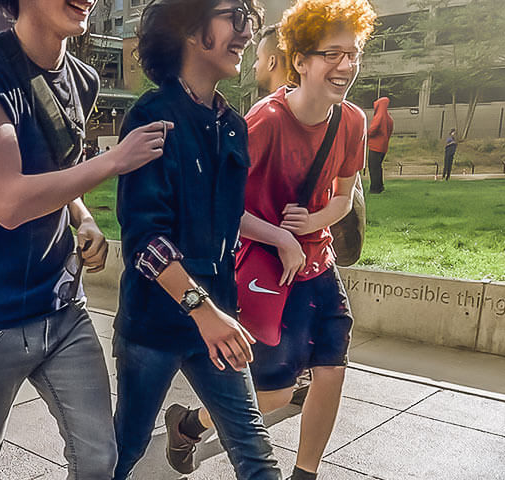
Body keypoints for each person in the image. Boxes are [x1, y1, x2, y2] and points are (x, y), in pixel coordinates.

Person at [0, 0, 170, 476]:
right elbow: (7, 202)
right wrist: (114, 161)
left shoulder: (83, 80)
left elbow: (61, 172)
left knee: (99, 457)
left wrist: (83, 217)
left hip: (62, 305)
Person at [169, 2, 375, 479]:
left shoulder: (352, 122)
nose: (346, 66)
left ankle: (306, 473)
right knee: (276, 393)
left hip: (319, 266)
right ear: (300, 61)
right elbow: (220, 208)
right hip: (266, 270)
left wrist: (311, 222)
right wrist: (280, 236)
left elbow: (344, 199)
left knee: (331, 370)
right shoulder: (264, 122)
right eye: (332, 54)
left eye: (353, 54)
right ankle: (188, 424)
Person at [113, 1, 280, 479]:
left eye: (251, 20)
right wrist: (203, 311)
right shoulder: (152, 116)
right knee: (124, 450)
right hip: (155, 327)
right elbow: (145, 240)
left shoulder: (233, 125)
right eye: (235, 16)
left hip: (218, 322)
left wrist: (282, 239)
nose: (247, 32)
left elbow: (226, 216)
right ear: (190, 27)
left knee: (254, 450)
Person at [253, 23, 289, 95]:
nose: (254, 66)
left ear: (271, 62)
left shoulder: (269, 103)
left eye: (258, 58)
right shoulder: (307, 99)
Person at [367, 97, 391, 193]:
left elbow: (372, 130)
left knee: (373, 167)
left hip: (375, 146)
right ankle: (380, 186)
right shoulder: (389, 118)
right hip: (383, 147)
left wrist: (366, 134)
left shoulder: (379, 117)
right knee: (378, 167)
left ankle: (374, 188)